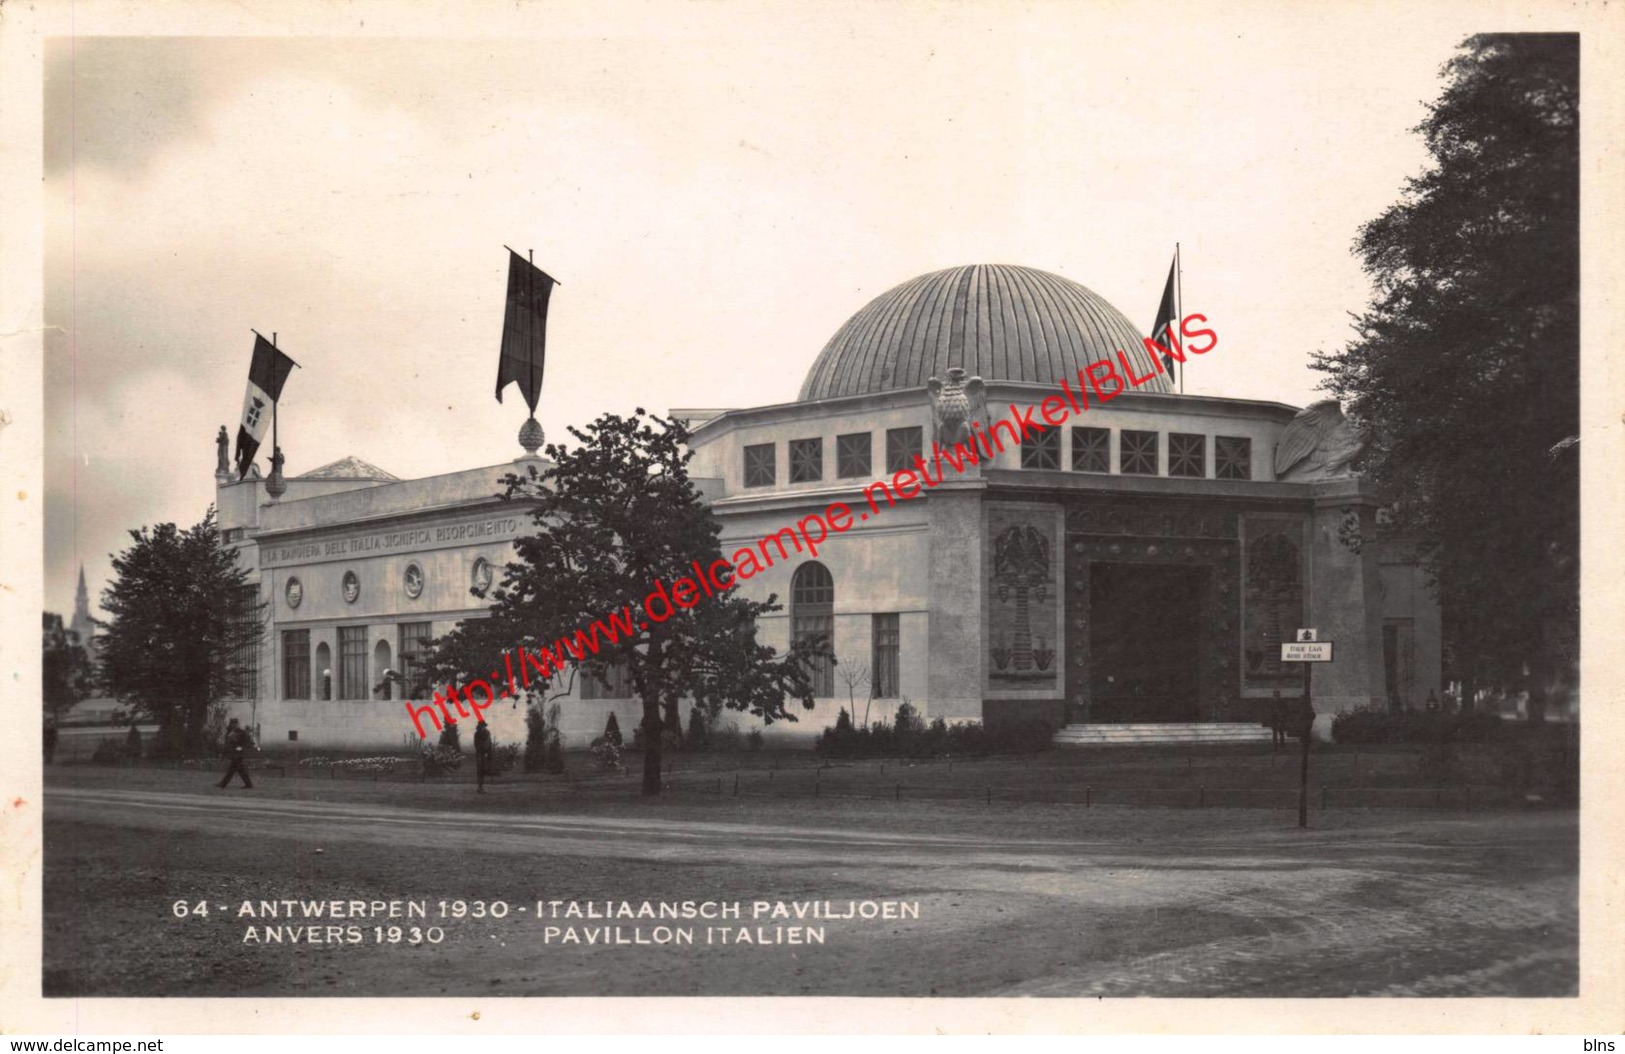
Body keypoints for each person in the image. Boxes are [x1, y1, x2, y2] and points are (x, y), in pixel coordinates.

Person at [217, 717, 255, 789]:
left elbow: (246, 742)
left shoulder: (241, 732)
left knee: (232, 769)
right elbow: (227, 744)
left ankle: (223, 784)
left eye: (235, 723)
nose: (233, 725)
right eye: (232, 723)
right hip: (233, 753)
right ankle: (248, 784)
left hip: (238, 754)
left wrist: (240, 748)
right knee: (240, 770)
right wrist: (224, 753)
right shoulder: (229, 732)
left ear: (237, 724)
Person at [473, 718, 494, 793]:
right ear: (480, 726)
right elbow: (476, 744)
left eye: (484, 726)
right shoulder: (477, 734)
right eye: (482, 726)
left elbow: (488, 743)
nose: (483, 727)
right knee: (480, 770)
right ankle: (480, 787)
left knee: (485, 769)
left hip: (487, 754)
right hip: (480, 754)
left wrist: (487, 752)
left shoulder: (487, 733)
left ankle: (481, 786)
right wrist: (481, 752)